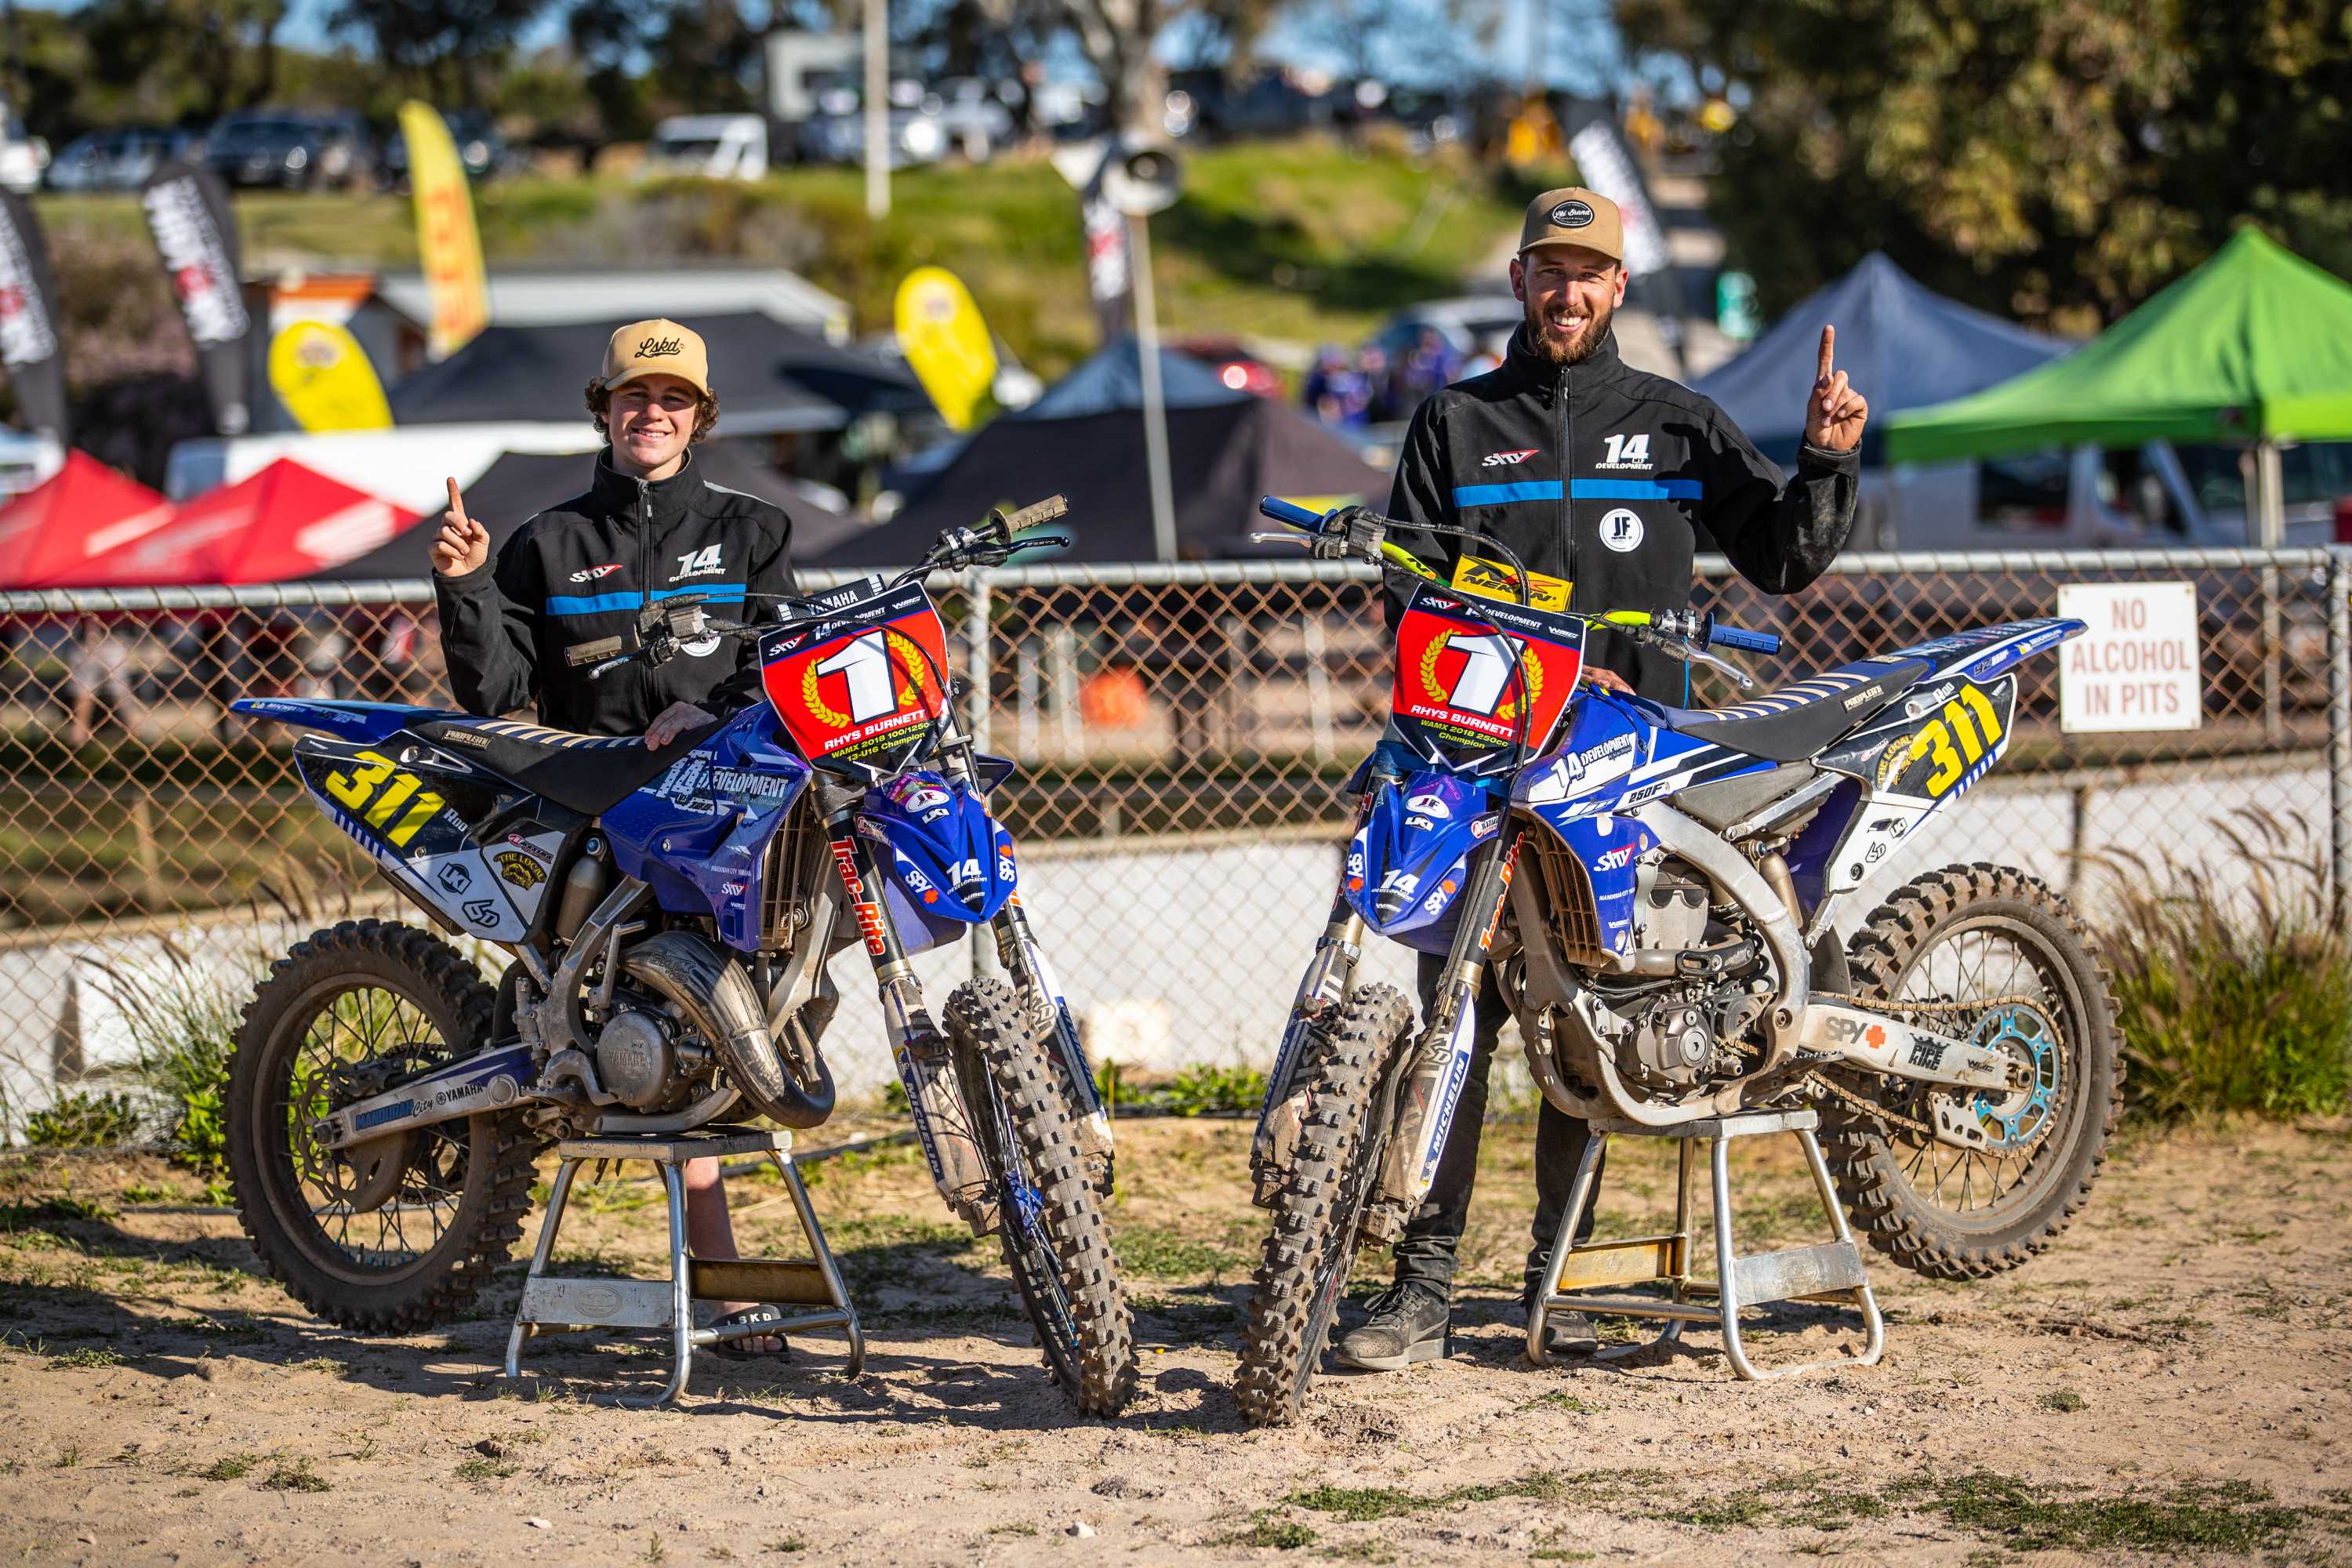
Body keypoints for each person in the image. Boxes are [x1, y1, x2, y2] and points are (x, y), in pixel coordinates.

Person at [1330, 187, 1868, 1371]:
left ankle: (1554, 1285)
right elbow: (1409, 597)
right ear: (1520, 280)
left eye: (1591, 273)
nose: (1568, 291)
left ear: (1618, 288)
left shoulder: (1677, 423)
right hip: (1475, 773)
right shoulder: (1454, 424)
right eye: (1549, 269)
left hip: (1624, 773)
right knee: (1451, 1021)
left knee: (1590, 1028)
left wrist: (1825, 460)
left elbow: (1784, 556)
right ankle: (1420, 1294)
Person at [430, 318, 802, 1359]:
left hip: (721, 806)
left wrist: (713, 708)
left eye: (673, 398)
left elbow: (784, 660)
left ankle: (722, 1280)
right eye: (634, 396)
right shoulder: (546, 542)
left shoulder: (753, 529)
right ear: (603, 409)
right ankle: (723, 1288)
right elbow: (498, 693)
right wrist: (465, 585)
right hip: (593, 815)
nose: (652, 412)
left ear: (700, 417)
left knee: (732, 1028)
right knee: (685, 1036)